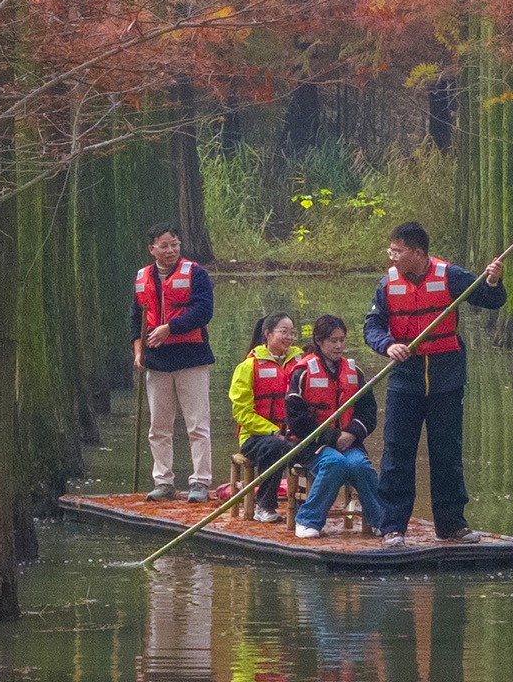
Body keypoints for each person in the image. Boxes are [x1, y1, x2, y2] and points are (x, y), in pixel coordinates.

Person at [364, 221, 504, 541]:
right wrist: (388, 345)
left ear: (417, 252)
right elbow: (372, 327)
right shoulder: (387, 284)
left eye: (397, 251)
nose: (392, 257)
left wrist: (494, 281)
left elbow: (489, 298)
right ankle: (393, 527)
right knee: (397, 452)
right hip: (405, 379)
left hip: (446, 378)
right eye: (391, 251)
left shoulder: (450, 276)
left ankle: (451, 524)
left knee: (447, 452)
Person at [130, 222, 214, 499]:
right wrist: (139, 351)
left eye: (175, 244)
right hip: (157, 361)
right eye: (164, 245)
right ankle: (163, 482)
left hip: (191, 358)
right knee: (159, 426)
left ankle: (200, 481)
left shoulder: (196, 273)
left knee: (197, 424)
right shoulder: (142, 277)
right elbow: (135, 320)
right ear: (151, 248)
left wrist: (170, 328)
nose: (170, 250)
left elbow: (203, 311)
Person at [285, 315, 382, 539]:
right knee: (334, 463)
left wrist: (351, 434)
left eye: (341, 340)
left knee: (360, 465)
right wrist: (332, 436)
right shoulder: (302, 373)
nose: (338, 346)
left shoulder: (355, 373)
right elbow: (296, 418)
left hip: (349, 442)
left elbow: (368, 413)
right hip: (311, 445)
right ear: (320, 341)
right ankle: (308, 520)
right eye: (333, 341)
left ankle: (381, 520)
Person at [230, 314, 300, 521]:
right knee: (275, 447)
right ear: (268, 334)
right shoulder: (248, 367)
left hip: (292, 431)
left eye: (291, 332)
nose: (289, 337)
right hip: (255, 436)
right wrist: (273, 430)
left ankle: (307, 505)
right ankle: (265, 505)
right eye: (283, 332)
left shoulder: (301, 362)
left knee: (312, 445)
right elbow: (242, 412)